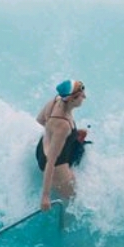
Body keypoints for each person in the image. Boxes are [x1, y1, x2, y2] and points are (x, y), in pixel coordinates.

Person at [36, 79, 88, 212]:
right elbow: (51, 162)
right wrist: (45, 197)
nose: (84, 97)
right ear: (71, 99)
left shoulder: (57, 100)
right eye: (81, 95)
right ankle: (65, 220)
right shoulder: (63, 125)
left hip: (41, 149)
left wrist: (55, 134)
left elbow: (40, 119)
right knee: (73, 199)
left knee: (81, 135)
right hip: (55, 165)